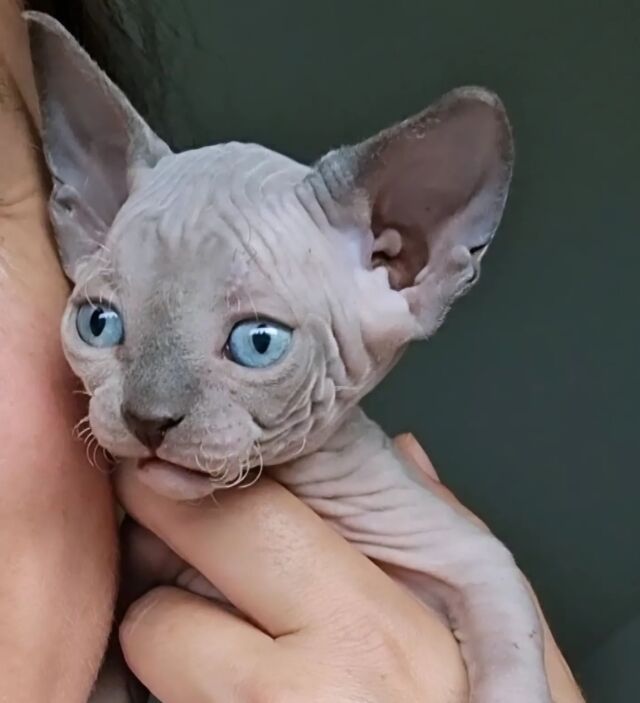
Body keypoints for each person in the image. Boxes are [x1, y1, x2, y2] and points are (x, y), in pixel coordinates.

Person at [0, 2, 584, 700]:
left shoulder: (383, 503)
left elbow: (484, 580)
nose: (150, 406)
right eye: (103, 323)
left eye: (256, 342)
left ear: (401, 267)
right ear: (88, 220)